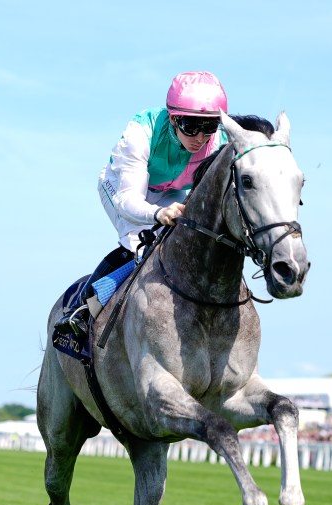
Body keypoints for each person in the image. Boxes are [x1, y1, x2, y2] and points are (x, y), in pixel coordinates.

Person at [55, 70, 232, 338]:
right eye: (190, 125)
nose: (200, 136)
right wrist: (158, 213)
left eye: (208, 126)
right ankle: (82, 310)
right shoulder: (142, 131)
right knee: (138, 242)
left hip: (169, 191)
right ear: (173, 118)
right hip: (123, 188)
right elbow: (129, 202)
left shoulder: (217, 141)